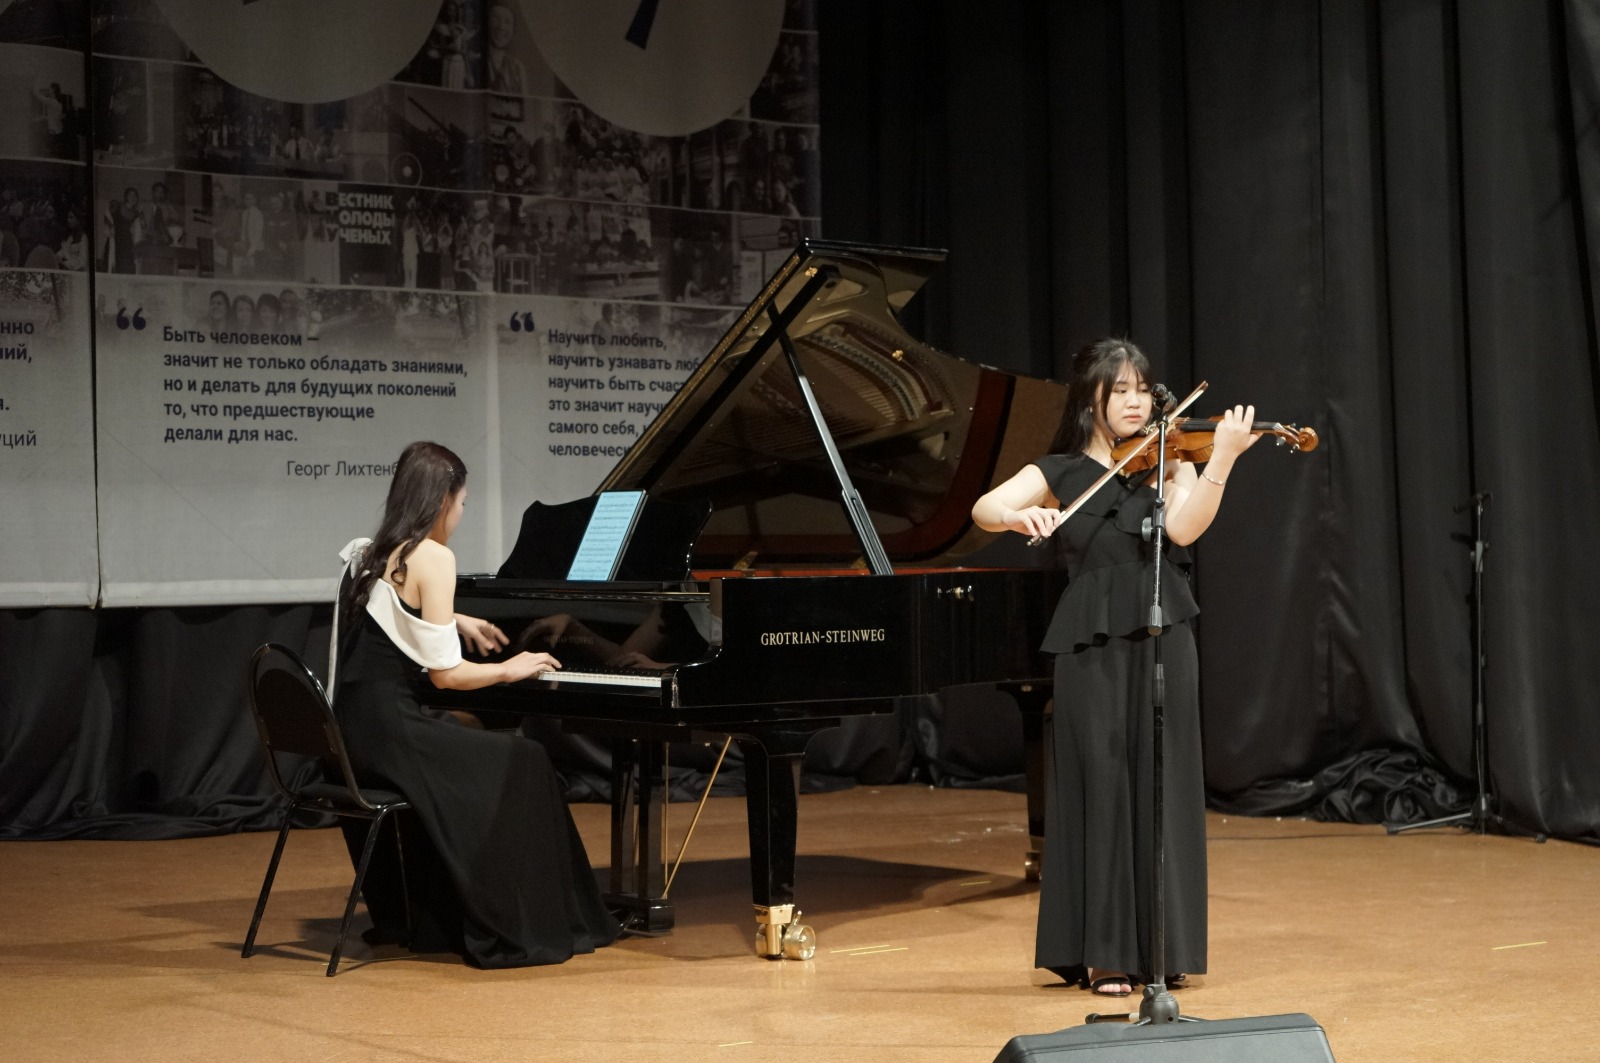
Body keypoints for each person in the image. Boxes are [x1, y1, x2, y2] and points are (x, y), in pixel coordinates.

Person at [970, 339, 1259, 997]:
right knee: (1100, 782)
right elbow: (983, 508)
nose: (1135, 401)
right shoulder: (1062, 470)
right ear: (1091, 396)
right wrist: (1017, 515)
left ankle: (1164, 946)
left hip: (1163, 635)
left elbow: (1182, 531)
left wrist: (1220, 462)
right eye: (1120, 389)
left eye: (1142, 389)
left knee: (1164, 780)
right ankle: (1105, 952)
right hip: (1090, 642)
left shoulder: (1169, 460)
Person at [330, 441, 621, 967]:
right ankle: (525, 921)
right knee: (527, 759)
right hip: (395, 735)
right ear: (443, 499)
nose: (462, 514)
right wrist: (512, 667)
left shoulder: (367, 553)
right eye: (463, 502)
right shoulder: (434, 556)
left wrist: (455, 620)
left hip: (352, 737)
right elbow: (447, 676)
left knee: (494, 754)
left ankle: (445, 911)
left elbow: (388, 613)